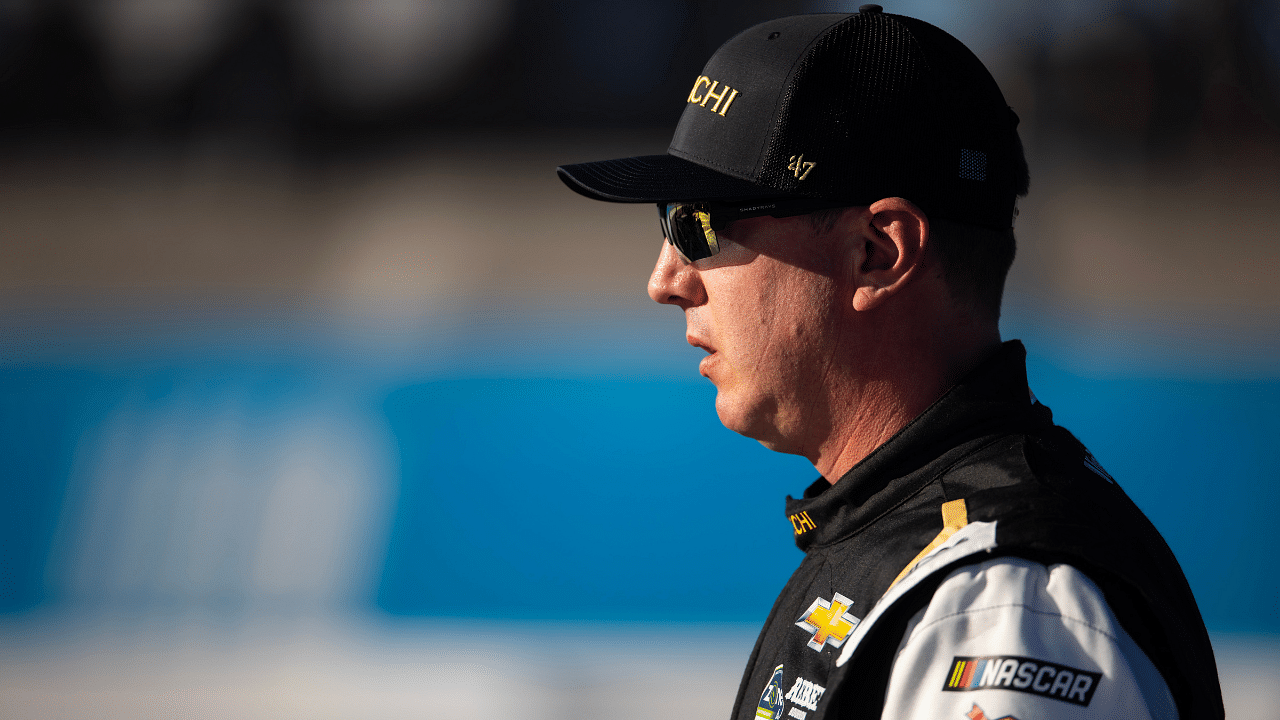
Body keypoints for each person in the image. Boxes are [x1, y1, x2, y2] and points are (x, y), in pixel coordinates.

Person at [557, 7, 1223, 720]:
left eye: (698, 224)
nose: (664, 281)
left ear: (879, 252)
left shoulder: (1004, 610)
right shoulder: (900, 537)